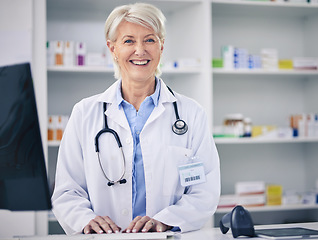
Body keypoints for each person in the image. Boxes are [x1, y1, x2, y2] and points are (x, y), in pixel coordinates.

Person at [51, 2, 220, 235]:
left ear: (162, 46)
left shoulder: (191, 114)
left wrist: (166, 220)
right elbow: (67, 191)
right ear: (112, 48)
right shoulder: (84, 113)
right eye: (128, 41)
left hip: (165, 237)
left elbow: (204, 191)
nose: (140, 50)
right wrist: (85, 219)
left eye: (149, 40)